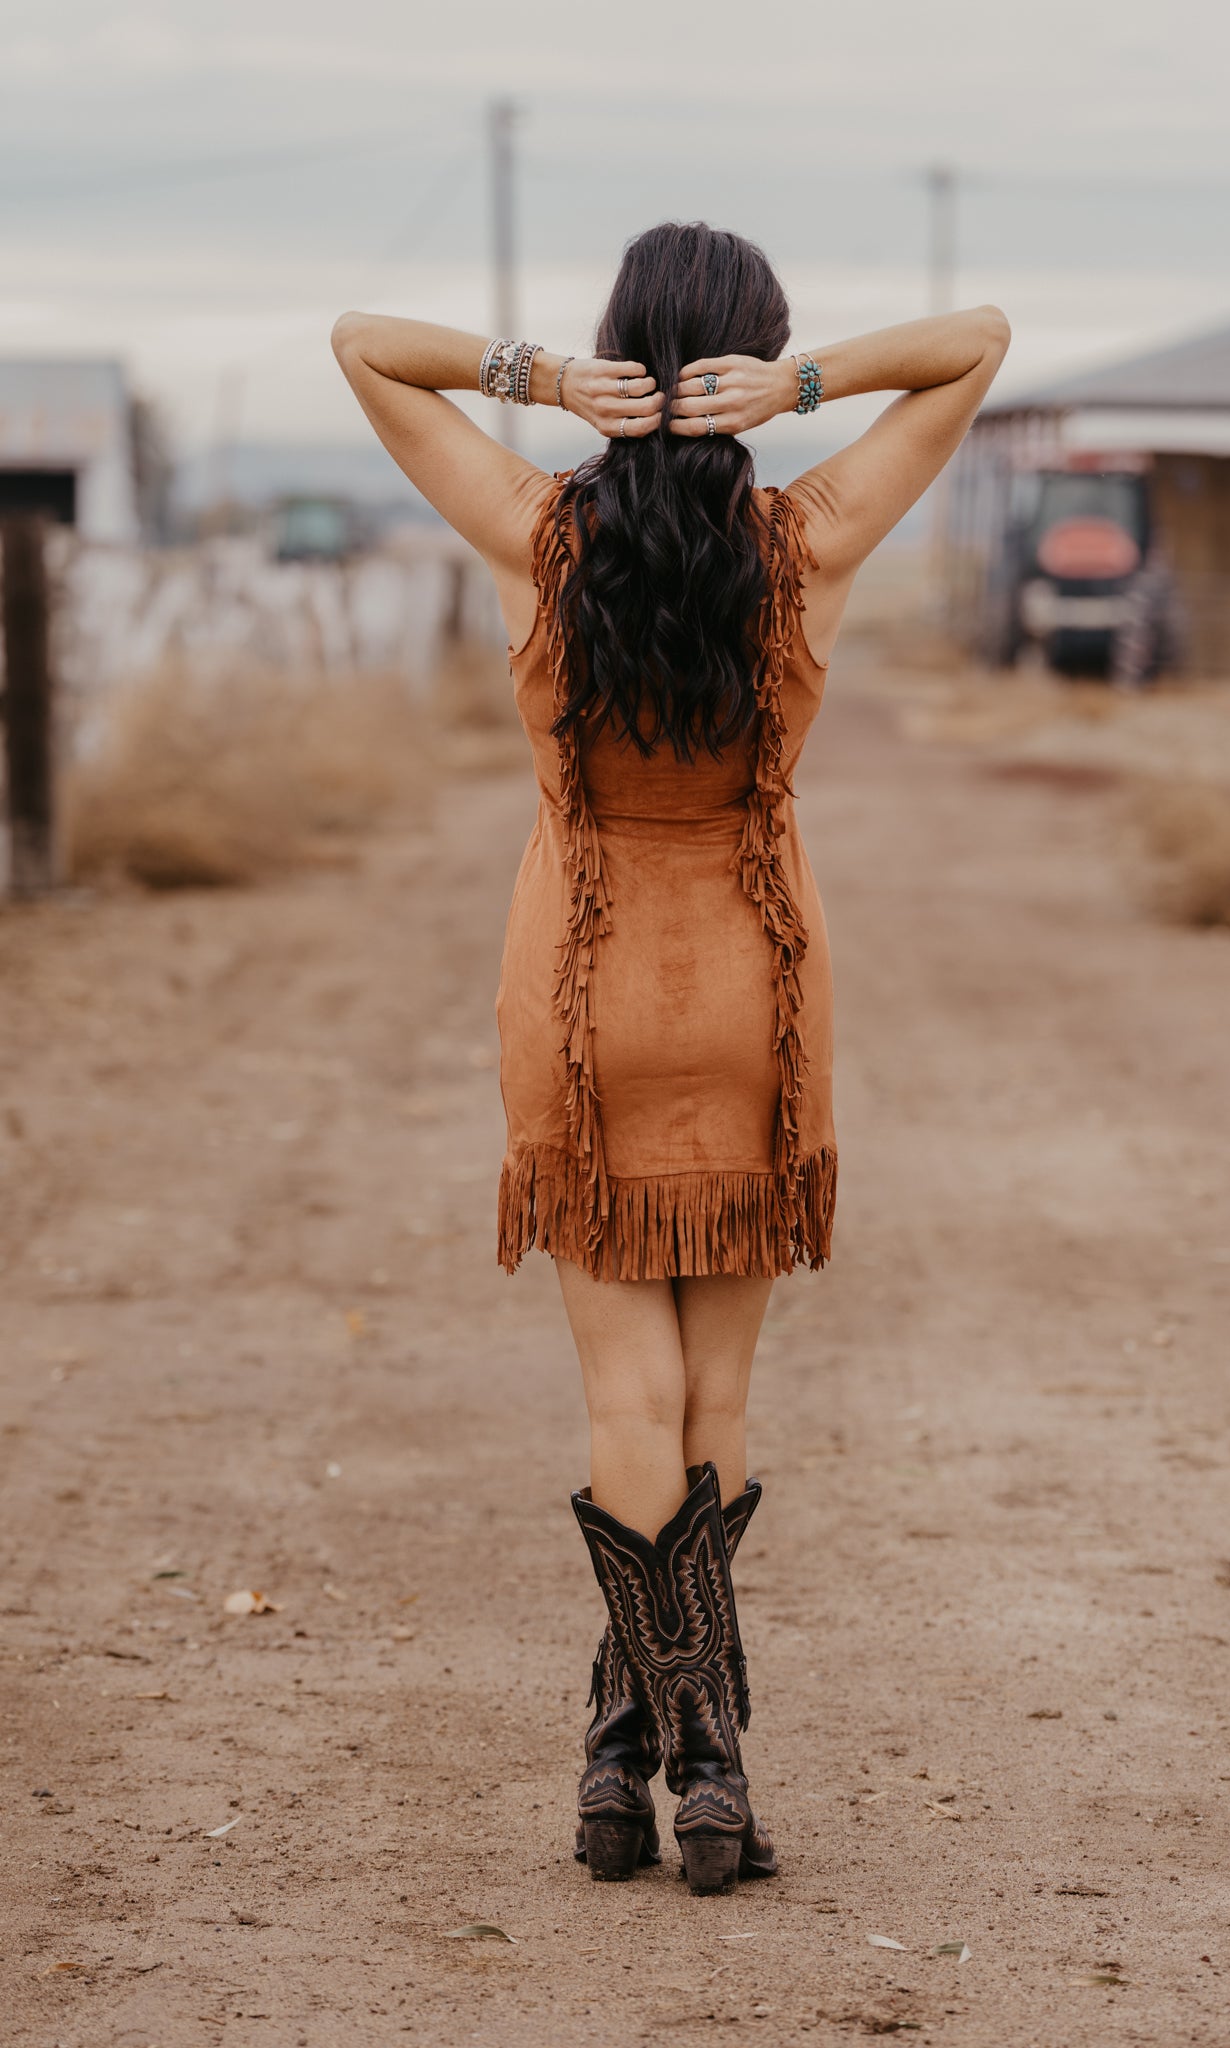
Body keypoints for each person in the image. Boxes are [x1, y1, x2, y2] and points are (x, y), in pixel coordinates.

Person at [333, 222, 1008, 1896]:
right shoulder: (813, 538)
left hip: (579, 989)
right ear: (752, 359)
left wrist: (536, 383)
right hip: (757, 989)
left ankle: (634, 1756)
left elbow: (359, 342)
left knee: (621, 1398)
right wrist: (807, 389)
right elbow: (979, 339)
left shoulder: (536, 535)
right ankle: (688, 1762)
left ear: (621, 348)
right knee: (712, 1397)